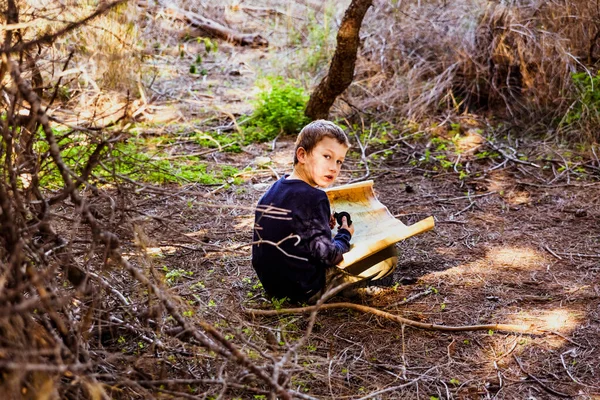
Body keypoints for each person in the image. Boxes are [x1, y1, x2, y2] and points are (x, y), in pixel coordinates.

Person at [252, 120, 356, 303]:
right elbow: (330, 256)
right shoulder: (315, 198)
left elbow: (291, 231)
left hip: (271, 286)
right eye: (327, 156)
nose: (334, 167)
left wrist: (323, 224)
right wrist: (344, 235)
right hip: (304, 290)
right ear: (302, 155)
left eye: (339, 161)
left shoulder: (274, 189)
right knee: (386, 257)